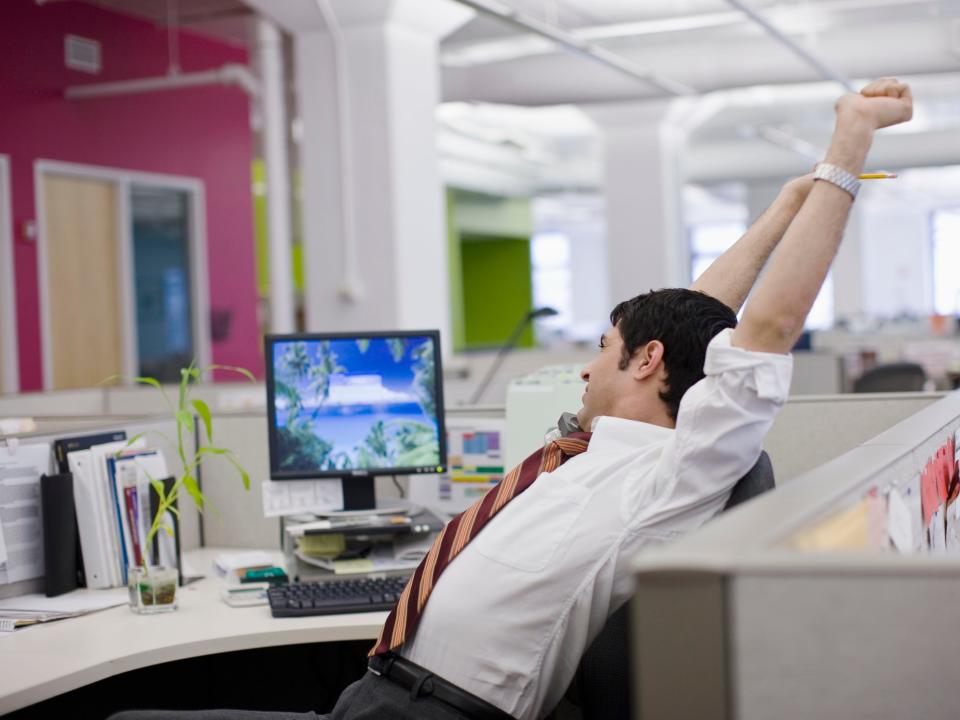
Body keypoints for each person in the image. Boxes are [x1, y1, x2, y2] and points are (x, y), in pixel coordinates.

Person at [110, 77, 912, 720]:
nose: (584, 371)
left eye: (603, 350)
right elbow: (686, 314)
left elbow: (767, 327)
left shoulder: (676, 472)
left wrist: (848, 145)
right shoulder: (593, 452)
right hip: (378, 694)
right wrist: (784, 204)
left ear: (647, 364)